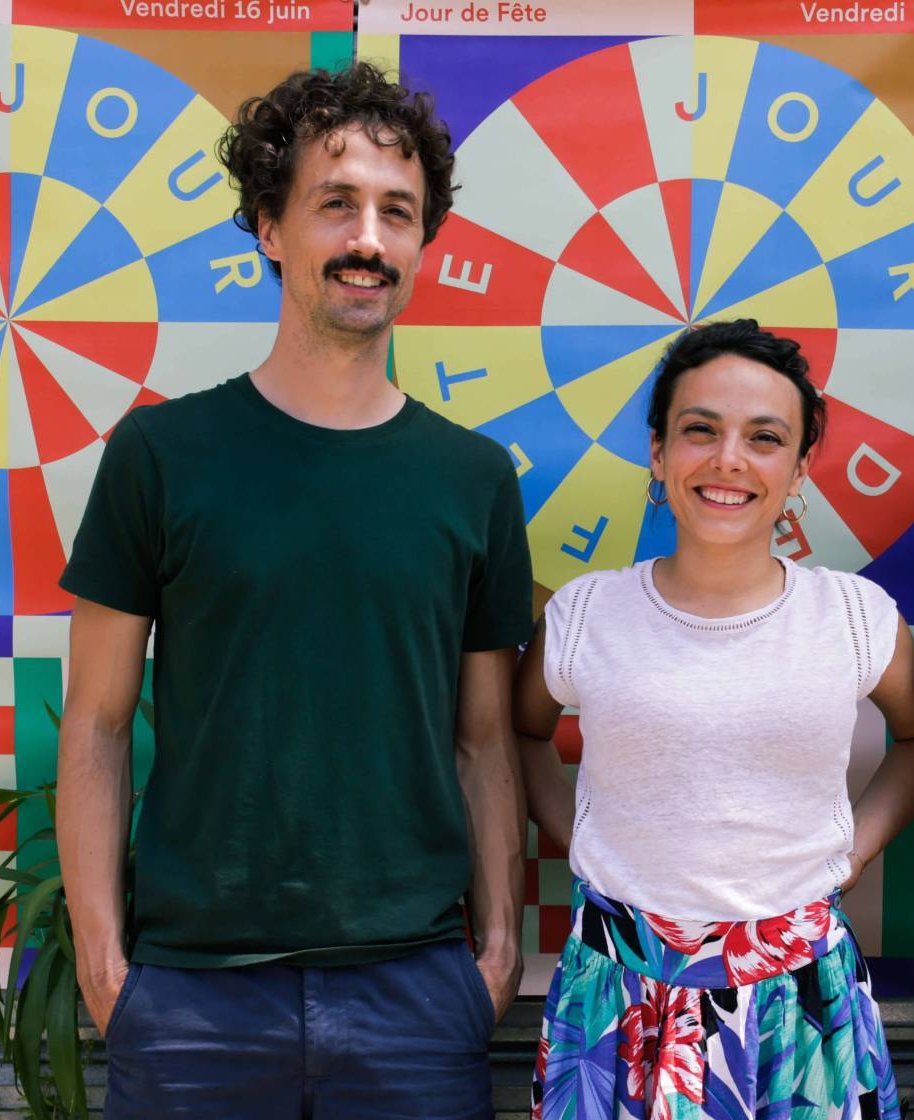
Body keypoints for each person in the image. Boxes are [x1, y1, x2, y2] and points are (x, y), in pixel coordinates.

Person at [56, 62, 532, 1118]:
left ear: (421, 242)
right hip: (191, 998)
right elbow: (94, 722)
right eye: (336, 203)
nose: (369, 238)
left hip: (416, 992)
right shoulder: (161, 453)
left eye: (396, 213)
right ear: (269, 227)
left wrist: (498, 944)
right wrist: (104, 957)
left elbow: (486, 737)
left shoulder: (474, 478)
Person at [514, 319, 914, 1120]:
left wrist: (856, 850)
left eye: (765, 438)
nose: (728, 462)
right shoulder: (585, 614)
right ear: (656, 452)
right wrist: (577, 840)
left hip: (799, 1003)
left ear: (798, 470)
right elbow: (523, 733)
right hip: (618, 1001)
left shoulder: (853, 617)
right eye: (700, 431)